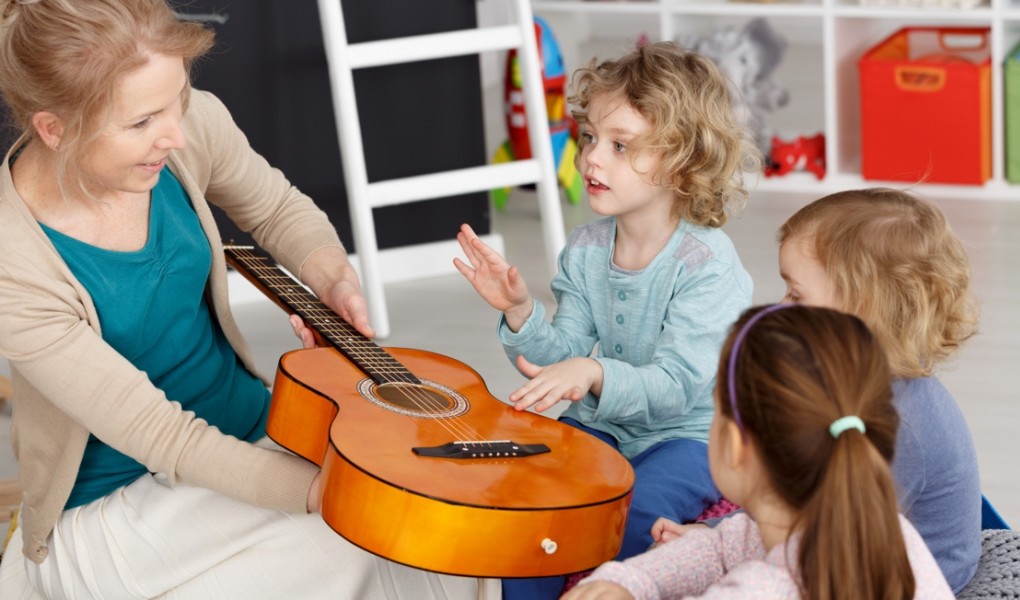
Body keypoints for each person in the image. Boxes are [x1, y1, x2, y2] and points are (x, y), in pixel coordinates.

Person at [0, 1, 496, 598]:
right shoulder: (13, 261)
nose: (175, 134)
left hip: (252, 432)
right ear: (53, 129)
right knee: (373, 536)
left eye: (177, 99)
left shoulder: (182, 128)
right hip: (117, 508)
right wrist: (325, 490)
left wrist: (331, 273)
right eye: (141, 122)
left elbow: (276, 207)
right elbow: (163, 435)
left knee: (440, 525)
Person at [453, 41, 758, 599]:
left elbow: (674, 388)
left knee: (631, 513)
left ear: (683, 163)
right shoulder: (588, 247)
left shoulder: (709, 267)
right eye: (591, 137)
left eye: (622, 146)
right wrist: (521, 311)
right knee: (533, 497)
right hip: (601, 426)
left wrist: (592, 375)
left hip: (688, 437)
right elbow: (558, 356)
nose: (593, 158)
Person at [654, 188, 982, 593]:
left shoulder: (896, 425)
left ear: (861, 310)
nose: (780, 305)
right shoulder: (850, 383)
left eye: (796, 294)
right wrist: (712, 536)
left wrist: (716, 547)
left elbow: (818, 527)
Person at [565, 304, 955, 599]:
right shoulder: (880, 528)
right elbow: (720, 549)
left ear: (735, 445)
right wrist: (631, 580)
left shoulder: (752, 590)